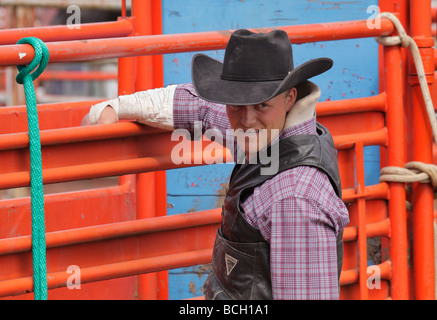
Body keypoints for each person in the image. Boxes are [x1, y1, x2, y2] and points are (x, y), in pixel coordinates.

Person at [82, 29, 349, 300]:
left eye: (261, 105)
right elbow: (198, 105)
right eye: (235, 105)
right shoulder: (268, 133)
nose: (246, 120)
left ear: (290, 97)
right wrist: (113, 107)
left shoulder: (294, 197)